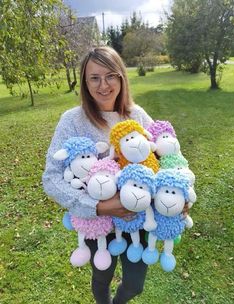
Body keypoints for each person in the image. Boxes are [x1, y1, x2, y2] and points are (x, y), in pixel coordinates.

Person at [42, 46, 154, 304]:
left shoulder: (137, 115)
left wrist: (182, 195)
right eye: (94, 77)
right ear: (84, 81)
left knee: (136, 284)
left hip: (136, 219)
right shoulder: (72, 120)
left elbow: (169, 157)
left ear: (121, 78)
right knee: (102, 277)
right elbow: (51, 177)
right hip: (96, 223)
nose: (103, 85)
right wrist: (100, 207)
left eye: (110, 76)